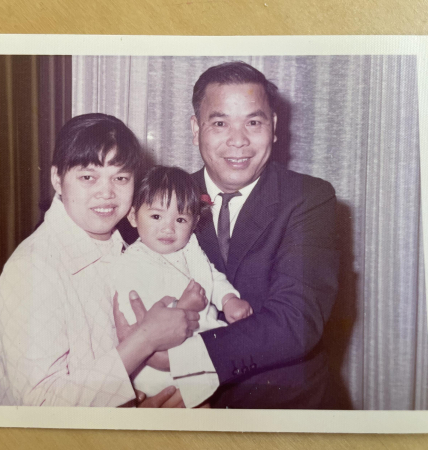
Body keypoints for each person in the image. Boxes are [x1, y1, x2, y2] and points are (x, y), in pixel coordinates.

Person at [116, 61, 340, 409]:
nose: (239, 141)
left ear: (274, 127)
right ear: (196, 129)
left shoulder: (309, 198)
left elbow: (295, 322)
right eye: (220, 123)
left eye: (253, 122)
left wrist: (174, 361)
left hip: (283, 409)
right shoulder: (161, 201)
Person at [0, 113, 200, 407]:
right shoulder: (34, 266)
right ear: (57, 178)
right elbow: (39, 403)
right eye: (88, 177)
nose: (107, 192)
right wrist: (145, 340)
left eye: (120, 178)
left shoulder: (133, 249)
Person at [110, 166, 253, 407]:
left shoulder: (190, 249)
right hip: (157, 372)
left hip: (198, 352)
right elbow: (135, 321)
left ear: (195, 222)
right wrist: (183, 308)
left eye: (180, 219)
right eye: (156, 216)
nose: (168, 228)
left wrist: (228, 299)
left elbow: (210, 276)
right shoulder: (130, 264)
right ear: (134, 216)